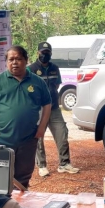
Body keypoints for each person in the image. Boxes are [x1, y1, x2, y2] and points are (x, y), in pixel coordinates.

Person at [0, 46, 52, 188]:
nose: (14, 62)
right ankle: (1, 205)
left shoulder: (37, 82)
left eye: (18, 59)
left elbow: (47, 104)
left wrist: (42, 128)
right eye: (11, 59)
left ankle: (19, 205)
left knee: (23, 175)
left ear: (26, 60)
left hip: (28, 138)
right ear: (6, 62)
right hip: (2, 138)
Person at [28, 41, 79, 177]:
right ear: (38, 53)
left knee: (62, 134)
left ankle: (64, 164)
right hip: (38, 109)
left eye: (48, 53)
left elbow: (56, 85)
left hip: (54, 108)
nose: (45, 55)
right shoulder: (31, 69)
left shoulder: (55, 68)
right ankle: (42, 165)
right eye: (43, 52)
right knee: (38, 137)